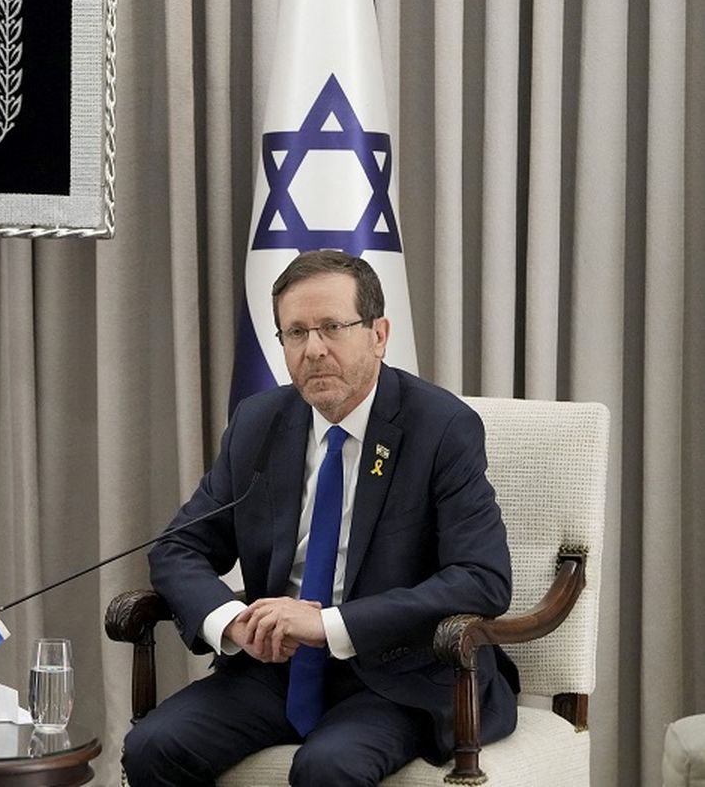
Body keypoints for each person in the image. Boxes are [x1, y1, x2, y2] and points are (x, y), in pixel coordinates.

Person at [123, 250, 518, 787]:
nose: (314, 350)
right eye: (296, 333)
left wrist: (330, 625)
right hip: (275, 671)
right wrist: (232, 622)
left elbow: (481, 579)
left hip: (396, 674)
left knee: (327, 768)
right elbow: (177, 548)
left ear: (379, 334)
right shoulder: (258, 423)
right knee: (153, 747)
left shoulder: (441, 427)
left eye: (332, 327)